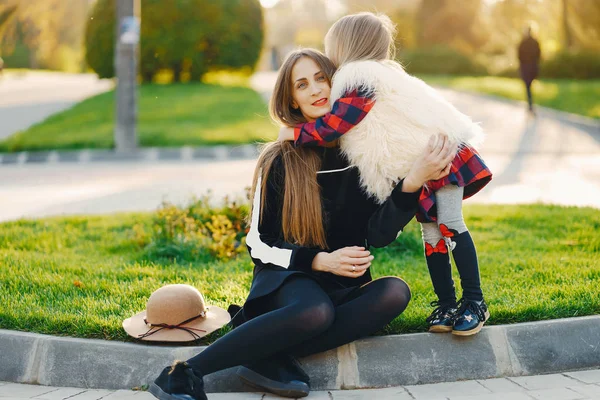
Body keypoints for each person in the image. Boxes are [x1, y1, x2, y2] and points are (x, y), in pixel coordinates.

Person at [147, 48, 456, 400]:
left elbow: (379, 235)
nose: (315, 90)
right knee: (314, 310)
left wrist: (412, 181)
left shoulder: (364, 153)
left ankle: (269, 352)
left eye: (321, 78)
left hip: (341, 284)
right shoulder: (280, 157)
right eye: (302, 84)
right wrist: (316, 260)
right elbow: (257, 242)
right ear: (292, 101)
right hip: (286, 280)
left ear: (337, 84)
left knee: (395, 292)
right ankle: (183, 373)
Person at [280, 12, 492, 337]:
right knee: (432, 236)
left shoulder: (360, 79)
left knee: (450, 226)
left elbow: (338, 123)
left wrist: (295, 134)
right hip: (424, 162)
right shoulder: (380, 77)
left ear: (345, 47)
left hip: (442, 158)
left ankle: (475, 301)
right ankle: (447, 303)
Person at [518, 26, 541, 114]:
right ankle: (530, 104)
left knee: (528, 87)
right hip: (532, 67)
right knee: (529, 86)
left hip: (526, 68)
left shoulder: (523, 43)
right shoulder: (535, 42)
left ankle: (530, 104)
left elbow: (519, 56)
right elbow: (539, 55)